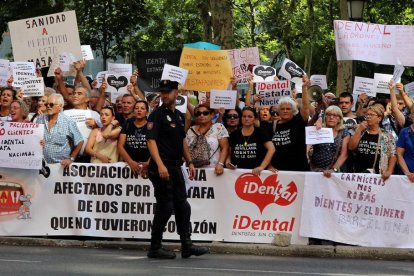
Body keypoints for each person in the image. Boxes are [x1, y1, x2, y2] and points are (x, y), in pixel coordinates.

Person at [146, 80, 208, 259]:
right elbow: (151, 141)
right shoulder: (156, 115)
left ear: (176, 93)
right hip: (162, 166)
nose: (165, 95)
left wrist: (189, 162)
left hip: (175, 166)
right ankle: (155, 247)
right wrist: (160, 165)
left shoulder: (179, 116)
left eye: (168, 91)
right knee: (165, 207)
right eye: (162, 92)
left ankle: (186, 245)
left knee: (183, 206)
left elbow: (182, 141)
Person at [269, 75, 311, 172]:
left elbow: (305, 107)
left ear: (294, 110)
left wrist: (304, 87)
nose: (285, 111)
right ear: (278, 111)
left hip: (298, 170)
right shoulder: (273, 125)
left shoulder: (298, 121)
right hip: (278, 171)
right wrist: (269, 166)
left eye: (288, 109)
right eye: (282, 109)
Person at [348, 104, 396, 180]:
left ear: (379, 118)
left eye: (371, 115)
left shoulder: (387, 136)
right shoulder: (360, 131)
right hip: (358, 175)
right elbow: (351, 147)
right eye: (367, 114)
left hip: (378, 176)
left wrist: (389, 171)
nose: (368, 117)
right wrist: (359, 130)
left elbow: (393, 155)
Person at [37, 93, 84, 166]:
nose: (48, 106)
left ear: (60, 106)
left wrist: (71, 158)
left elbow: (80, 141)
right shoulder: (40, 119)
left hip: (60, 166)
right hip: (41, 165)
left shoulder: (68, 122)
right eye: (47, 104)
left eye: (51, 104)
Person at [227, 106, 275, 175]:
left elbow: (272, 149)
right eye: (244, 116)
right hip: (236, 174)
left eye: (250, 117)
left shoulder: (261, 133)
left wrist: (262, 167)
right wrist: (228, 162)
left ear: (255, 118)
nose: (246, 119)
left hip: (256, 174)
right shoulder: (234, 134)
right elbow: (229, 153)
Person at [186, 104, 229, 176]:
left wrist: (220, 163)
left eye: (205, 113)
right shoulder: (191, 130)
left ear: (212, 115)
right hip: (193, 169)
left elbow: (225, 147)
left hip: (213, 170)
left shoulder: (218, 127)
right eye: (198, 113)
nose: (201, 115)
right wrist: (189, 163)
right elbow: (186, 149)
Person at [309, 105, 350, 177]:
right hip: (315, 171)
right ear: (325, 117)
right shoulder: (319, 129)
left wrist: (333, 170)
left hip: (334, 173)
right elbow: (308, 145)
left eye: (335, 115)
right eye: (329, 115)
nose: (331, 117)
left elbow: (344, 154)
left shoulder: (343, 132)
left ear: (340, 119)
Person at [118, 100, 151, 176]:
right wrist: (131, 162)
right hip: (128, 165)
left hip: (146, 166)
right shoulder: (127, 123)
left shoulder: (151, 125)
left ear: (147, 112)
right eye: (136, 108)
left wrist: (149, 163)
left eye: (142, 108)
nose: (139, 110)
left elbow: (156, 146)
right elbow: (120, 146)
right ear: (133, 111)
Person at [396, 104, 414, 182]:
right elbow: (399, 154)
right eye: (413, 113)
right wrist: (408, 173)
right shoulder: (404, 132)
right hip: (406, 177)